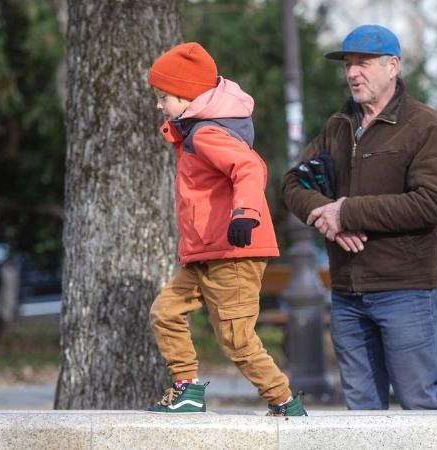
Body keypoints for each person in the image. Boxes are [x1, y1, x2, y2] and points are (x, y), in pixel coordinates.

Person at [281, 25, 437, 410]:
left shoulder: (425, 125)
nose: (351, 73)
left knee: (420, 403)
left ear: (393, 66)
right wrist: (325, 216)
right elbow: (292, 183)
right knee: (362, 413)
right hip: (347, 293)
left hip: (404, 290)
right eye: (347, 65)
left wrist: (347, 211)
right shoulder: (338, 125)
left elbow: (430, 203)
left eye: (362, 63)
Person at [145, 42, 306, 416]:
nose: (159, 105)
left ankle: (285, 402)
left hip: (234, 251)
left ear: (186, 97)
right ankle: (187, 389)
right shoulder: (193, 134)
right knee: (165, 312)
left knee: (236, 339)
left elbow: (249, 168)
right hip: (205, 253)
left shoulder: (206, 135)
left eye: (163, 96)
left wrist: (244, 214)